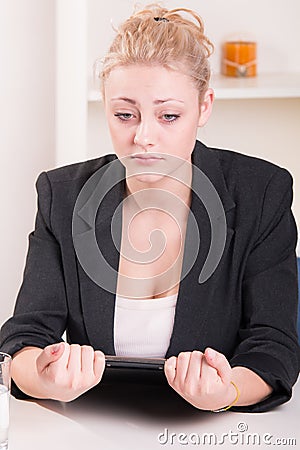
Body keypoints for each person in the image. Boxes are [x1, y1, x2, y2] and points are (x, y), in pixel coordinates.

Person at [0, 4, 299, 413]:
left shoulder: (261, 192)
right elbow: (23, 341)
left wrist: (225, 391)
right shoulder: (62, 195)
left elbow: (274, 345)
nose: (144, 137)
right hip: (96, 428)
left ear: (204, 107)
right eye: (124, 114)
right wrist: (46, 379)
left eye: (169, 116)